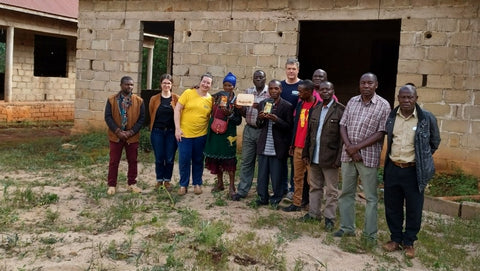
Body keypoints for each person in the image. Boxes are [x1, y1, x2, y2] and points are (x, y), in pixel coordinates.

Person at [382, 84, 440, 258]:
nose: (406, 100)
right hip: (393, 168)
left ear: (416, 98)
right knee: (392, 207)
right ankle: (395, 239)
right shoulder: (392, 117)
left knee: (414, 208)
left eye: (410, 97)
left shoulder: (426, 118)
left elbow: (434, 142)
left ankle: (409, 242)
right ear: (398, 98)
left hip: (414, 171)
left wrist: (423, 159)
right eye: (403, 97)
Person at [333, 73, 391, 242]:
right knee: (346, 193)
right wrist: (350, 148)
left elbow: (381, 133)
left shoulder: (383, 105)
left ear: (376, 85)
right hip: (348, 155)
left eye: (369, 83)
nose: (366, 86)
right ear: (359, 85)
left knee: (371, 197)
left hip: (368, 157)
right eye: (363, 83)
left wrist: (356, 147)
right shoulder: (352, 101)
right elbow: (342, 125)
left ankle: (369, 235)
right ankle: (346, 228)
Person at [301, 81, 345, 232]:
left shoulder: (340, 110)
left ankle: (329, 218)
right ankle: (314, 214)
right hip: (314, 155)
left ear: (333, 91)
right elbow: (309, 134)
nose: (325, 92)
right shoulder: (316, 109)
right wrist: (306, 152)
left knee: (332, 190)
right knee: (315, 187)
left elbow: (342, 139)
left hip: (330, 158)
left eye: (328, 89)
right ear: (319, 92)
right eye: (322, 89)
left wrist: (339, 159)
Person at [232, 70, 270, 201]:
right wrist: (239, 108)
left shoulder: (269, 93)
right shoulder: (248, 92)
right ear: (253, 80)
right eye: (256, 78)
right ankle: (242, 190)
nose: (258, 79)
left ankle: (261, 192)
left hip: (263, 130)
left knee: (262, 163)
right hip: (249, 129)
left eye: (261, 77)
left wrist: (258, 107)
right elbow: (244, 113)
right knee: (246, 161)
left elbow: (268, 113)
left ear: (265, 79)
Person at [104, 76, 145, 195]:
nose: (130, 87)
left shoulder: (139, 101)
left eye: (131, 85)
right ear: (121, 85)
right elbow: (108, 117)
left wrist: (131, 132)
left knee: (132, 161)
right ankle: (112, 185)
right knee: (113, 161)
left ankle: (131, 184)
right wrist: (118, 131)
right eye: (127, 84)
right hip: (115, 136)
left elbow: (142, 119)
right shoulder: (112, 100)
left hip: (132, 137)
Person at [282, 79, 319, 212]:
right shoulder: (300, 105)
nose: (298, 94)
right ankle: (297, 203)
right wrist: (292, 145)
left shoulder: (318, 106)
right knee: (297, 177)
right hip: (297, 146)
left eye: (301, 92)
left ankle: (312, 206)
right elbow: (296, 126)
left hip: (310, 149)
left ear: (309, 92)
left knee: (312, 180)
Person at [204, 72, 242, 199]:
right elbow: (204, 95)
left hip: (228, 133)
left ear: (234, 87)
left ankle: (232, 186)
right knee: (216, 158)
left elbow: (238, 121)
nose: (227, 88)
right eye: (225, 85)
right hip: (215, 131)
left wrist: (229, 114)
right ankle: (220, 183)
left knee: (229, 159)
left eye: (230, 86)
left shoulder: (236, 102)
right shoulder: (217, 97)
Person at [174, 73, 213, 196]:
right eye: (204, 81)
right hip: (185, 135)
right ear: (200, 81)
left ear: (211, 85)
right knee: (184, 160)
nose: (205, 84)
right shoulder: (188, 93)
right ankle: (183, 185)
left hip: (201, 135)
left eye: (208, 83)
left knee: (198, 160)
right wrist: (177, 129)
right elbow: (177, 109)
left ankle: (197, 184)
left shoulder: (210, 99)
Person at [256, 79, 293, 208]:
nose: (273, 91)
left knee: (277, 175)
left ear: (280, 90)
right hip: (264, 144)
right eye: (271, 89)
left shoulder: (286, 106)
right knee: (262, 175)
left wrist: (277, 120)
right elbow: (258, 125)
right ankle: (262, 197)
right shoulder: (263, 103)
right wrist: (260, 118)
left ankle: (276, 197)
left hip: (278, 146)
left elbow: (289, 126)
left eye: (276, 88)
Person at [149, 74, 179, 192]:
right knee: (159, 158)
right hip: (157, 132)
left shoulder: (176, 98)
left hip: (172, 133)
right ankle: (159, 180)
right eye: (164, 83)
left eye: (169, 83)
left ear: (172, 85)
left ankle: (167, 181)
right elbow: (151, 113)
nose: (166, 85)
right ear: (161, 84)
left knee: (170, 158)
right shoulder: (154, 99)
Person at [280, 57, 303, 199]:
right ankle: (282, 186)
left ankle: (293, 189)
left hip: (297, 130)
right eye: (289, 68)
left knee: (295, 161)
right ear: (285, 70)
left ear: (298, 70)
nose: (291, 71)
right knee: (281, 159)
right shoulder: (281, 85)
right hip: (281, 128)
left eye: (293, 69)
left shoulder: (302, 86)